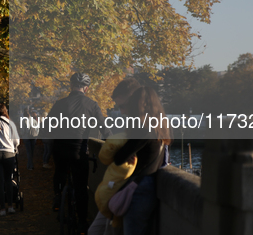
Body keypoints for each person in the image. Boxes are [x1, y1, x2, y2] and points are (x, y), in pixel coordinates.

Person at [48, 72, 111, 234]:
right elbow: (104, 130)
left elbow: (46, 127)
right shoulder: (92, 105)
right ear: (87, 88)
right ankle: (83, 223)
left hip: (60, 149)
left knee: (60, 172)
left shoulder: (60, 103)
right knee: (81, 187)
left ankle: (58, 195)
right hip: (79, 151)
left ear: (71, 86)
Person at [112, 86, 171, 235]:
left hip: (140, 186)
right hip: (151, 182)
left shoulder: (143, 129)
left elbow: (119, 158)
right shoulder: (160, 127)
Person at [88, 77, 142, 235]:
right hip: (119, 189)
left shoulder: (143, 124)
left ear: (134, 98)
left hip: (126, 191)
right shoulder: (134, 122)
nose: (122, 111)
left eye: (123, 106)